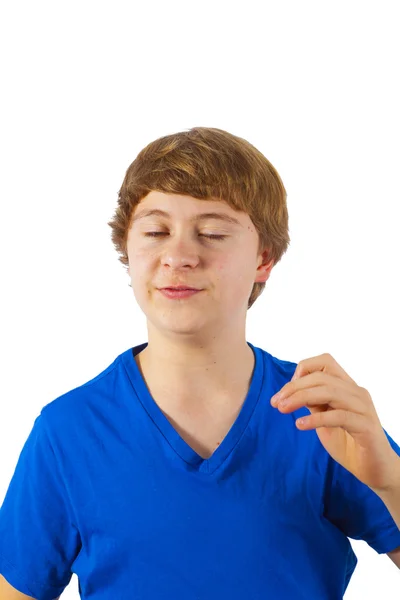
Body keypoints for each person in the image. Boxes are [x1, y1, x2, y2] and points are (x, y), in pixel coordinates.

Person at [0, 126, 399, 600]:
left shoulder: (320, 417)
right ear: (127, 251)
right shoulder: (68, 431)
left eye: (211, 233)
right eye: (155, 231)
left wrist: (391, 480)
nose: (179, 255)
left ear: (264, 259)